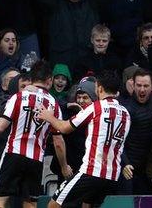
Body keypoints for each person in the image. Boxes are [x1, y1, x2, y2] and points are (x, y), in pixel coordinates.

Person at [0, 60, 71, 208]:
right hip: (36, 160)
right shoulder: (54, 105)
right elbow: (58, 141)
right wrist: (64, 166)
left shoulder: (18, 97)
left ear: (31, 79)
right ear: (49, 80)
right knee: (30, 204)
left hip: (13, 154)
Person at [36, 70, 131, 207]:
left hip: (91, 171)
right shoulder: (125, 113)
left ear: (99, 88)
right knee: (87, 206)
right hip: (112, 176)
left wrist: (48, 116)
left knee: (53, 204)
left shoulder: (96, 107)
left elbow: (64, 128)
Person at [118, 68, 152, 195]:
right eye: (139, 85)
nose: (142, 89)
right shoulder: (124, 108)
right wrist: (124, 163)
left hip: (148, 168)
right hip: (128, 167)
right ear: (133, 85)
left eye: (146, 86)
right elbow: (117, 140)